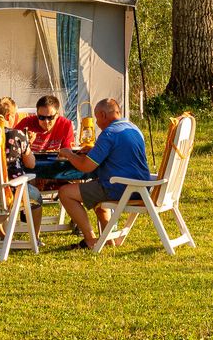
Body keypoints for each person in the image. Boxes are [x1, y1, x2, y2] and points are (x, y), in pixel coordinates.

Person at [54, 96, 156, 249]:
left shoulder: (109, 134)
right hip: (141, 188)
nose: (96, 123)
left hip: (119, 188)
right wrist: (94, 151)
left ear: (103, 115)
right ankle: (109, 239)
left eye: (96, 118)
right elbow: (120, 155)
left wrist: (69, 154)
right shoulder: (133, 128)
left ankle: (90, 239)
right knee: (97, 196)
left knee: (65, 193)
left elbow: (85, 166)